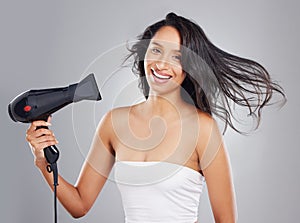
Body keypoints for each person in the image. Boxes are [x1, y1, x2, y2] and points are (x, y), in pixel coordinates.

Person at [25, 12, 286, 223]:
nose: (162, 64)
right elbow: (79, 205)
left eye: (177, 57)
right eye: (157, 50)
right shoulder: (114, 124)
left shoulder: (202, 129)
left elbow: (226, 220)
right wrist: (42, 161)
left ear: (189, 68)